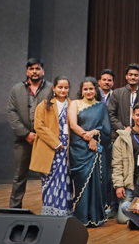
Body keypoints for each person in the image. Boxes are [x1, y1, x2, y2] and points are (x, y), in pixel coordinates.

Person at [7, 58, 53, 208]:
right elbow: (12, 113)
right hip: (22, 140)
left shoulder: (51, 89)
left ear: (43, 71)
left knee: (48, 177)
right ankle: (14, 210)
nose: (34, 71)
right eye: (31, 69)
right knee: (19, 177)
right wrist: (26, 134)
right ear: (27, 71)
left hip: (45, 140)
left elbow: (55, 113)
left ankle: (49, 209)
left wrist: (42, 135)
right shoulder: (16, 89)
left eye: (37, 68)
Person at [67, 77, 111, 227]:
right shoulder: (75, 103)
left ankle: (95, 216)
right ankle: (81, 217)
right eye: (85, 89)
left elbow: (106, 129)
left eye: (91, 88)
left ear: (96, 90)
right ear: (81, 90)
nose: (88, 91)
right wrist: (89, 138)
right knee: (81, 183)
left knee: (95, 182)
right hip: (79, 148)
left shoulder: (101, 106)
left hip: (96, 149)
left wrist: (94, 132)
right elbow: (73, 125)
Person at [29, 76, 73, 216]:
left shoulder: (72, 105)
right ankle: (50, 212)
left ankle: (64, 212)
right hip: (50, 147)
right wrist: (55, 142)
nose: (63, 90)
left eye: (66, 87)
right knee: (49, 181)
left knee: (65, 180)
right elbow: (39, 126)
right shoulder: (44, 105)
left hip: (66, 148)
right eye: (60, 87)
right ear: (54, 88)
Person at [107, 63, 139, 143]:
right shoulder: (117, 93)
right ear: (126, 76)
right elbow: (110, 114)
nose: (133, 77)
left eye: (136, 75)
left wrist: (134, 129)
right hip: (119, 135)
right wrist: (123, 128)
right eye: (130, 75)